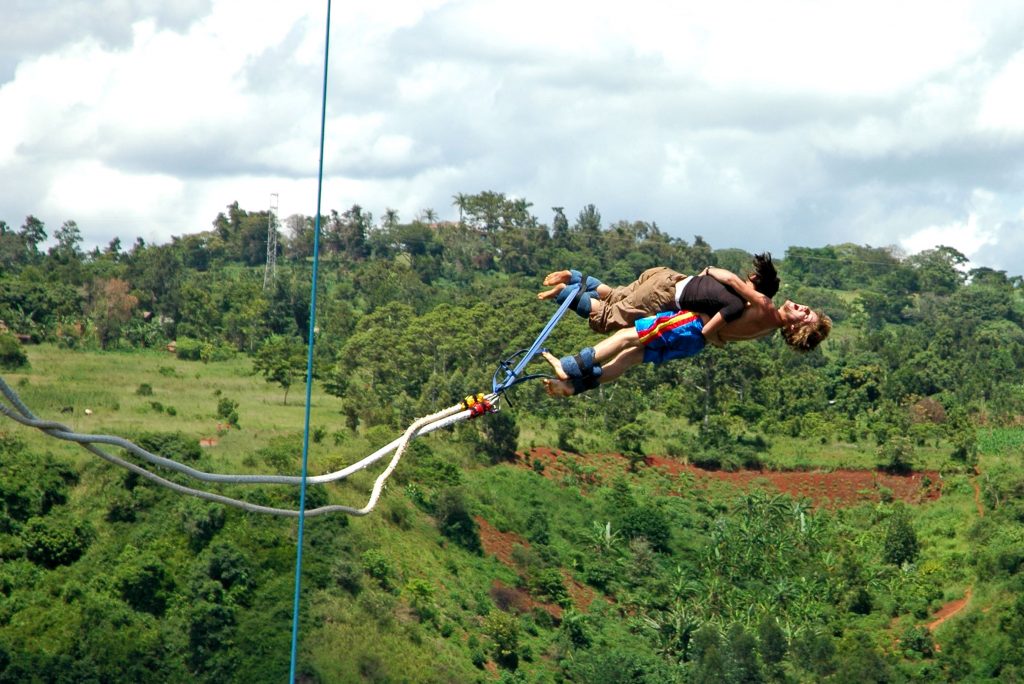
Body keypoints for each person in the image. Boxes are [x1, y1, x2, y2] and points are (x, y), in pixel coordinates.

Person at [538, 258, 831, 396]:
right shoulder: (765, 329)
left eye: (806, 316)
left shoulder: (764, 307)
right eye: (807, 309)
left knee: (625, 333)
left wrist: (708, 275)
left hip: (687, 323)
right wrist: (717, 338)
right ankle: (573, 384)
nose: (803, 308)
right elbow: (723, 330)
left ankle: (570, 367)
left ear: (796, 330)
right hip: (691, 335)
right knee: (630, 354)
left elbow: (731, 286)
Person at [538, 253, 781, 346]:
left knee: (614, 296)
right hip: (663, 296)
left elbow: (707, 269)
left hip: (666, 276)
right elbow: (707, 330)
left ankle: (575, 276)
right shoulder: (737, 304)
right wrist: (719, 341)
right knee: (607, 318)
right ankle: (563, 292)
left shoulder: (728, 279)